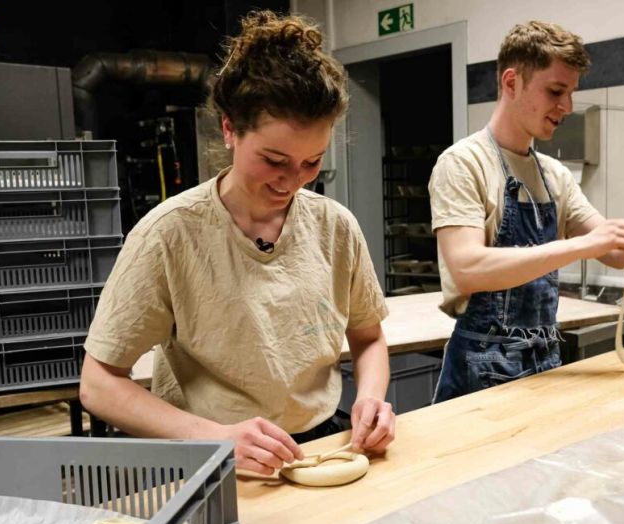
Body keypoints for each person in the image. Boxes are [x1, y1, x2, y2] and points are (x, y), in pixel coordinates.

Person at [80, 10, 395, 475]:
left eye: (311, 162)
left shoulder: (336, 227)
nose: (292, 181)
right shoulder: (169, 234)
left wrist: (370, 399)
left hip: (319, 445)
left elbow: (368, 338)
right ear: (229, 129)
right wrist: (217, 437)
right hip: (211, 456)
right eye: (274, 160)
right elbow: (98, 384)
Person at [430, 21, 624, 403]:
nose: (566, 107)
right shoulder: (463, 164)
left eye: (570, 93)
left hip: (545, 360)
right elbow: (468, 268)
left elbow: (618, 252)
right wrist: (580, 246)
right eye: (555, 91)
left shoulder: (553, 175)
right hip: (482, 366)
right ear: (512, 82)